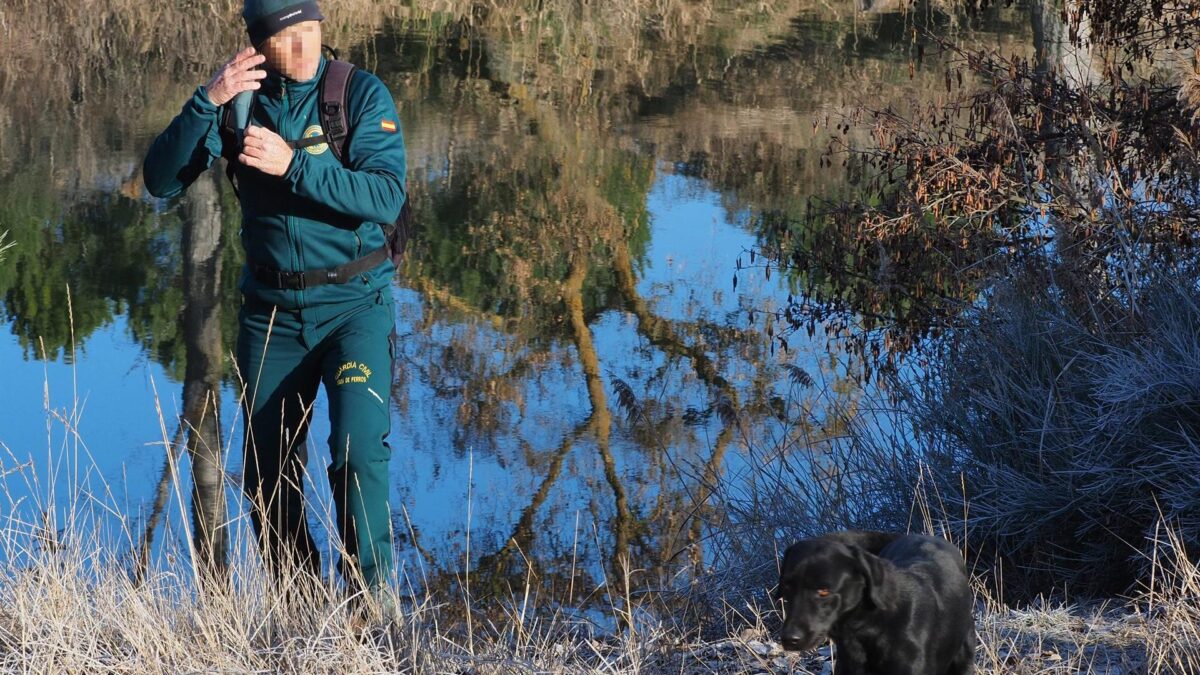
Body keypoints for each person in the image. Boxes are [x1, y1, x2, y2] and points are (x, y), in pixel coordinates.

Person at [143, 0, 406, 605]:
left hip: (354, 307)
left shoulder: (357, 96)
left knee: (356, 450)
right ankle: (303, 609)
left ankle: (375, 610)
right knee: (267, 476)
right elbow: (160, 181)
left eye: (312, 31)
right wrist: (205, 101)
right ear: (260, 45)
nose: (305, 48)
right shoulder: (238, 104)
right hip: (271, 317)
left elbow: (386, 198)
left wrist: (294, 167)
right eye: (289, 38)